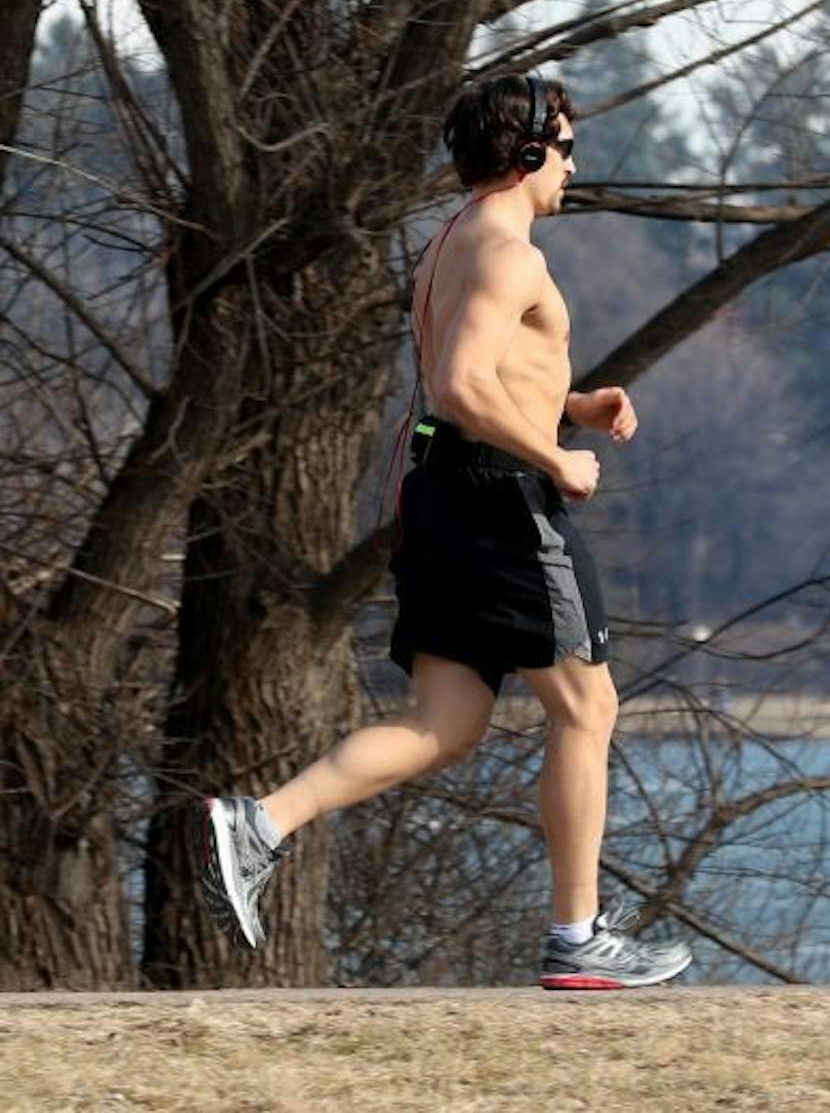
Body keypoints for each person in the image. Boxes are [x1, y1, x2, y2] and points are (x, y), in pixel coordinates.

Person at [199, 75, 691, 990]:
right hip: (502, 502)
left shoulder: (455, 241)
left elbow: (476, 376)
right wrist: (556, 459)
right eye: (568, 148)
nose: (573, 168)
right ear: (530, 152)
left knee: (445, 723)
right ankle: (578, 935)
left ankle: (259, 823)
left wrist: (574, 403)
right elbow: (464, 387)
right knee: (588, 707)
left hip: (441, 495)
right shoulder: (512, 253)